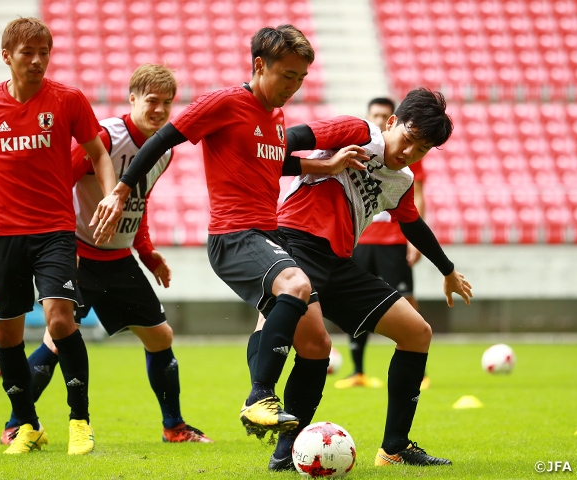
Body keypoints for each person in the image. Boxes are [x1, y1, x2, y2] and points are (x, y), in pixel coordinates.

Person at [89, 24, 371, 441]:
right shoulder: (224, 102)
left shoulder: (275, 116)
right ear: (259, 65)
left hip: (268, 235)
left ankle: (285, 452)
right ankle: (260, 397)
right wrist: (121, 190)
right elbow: (162, 140)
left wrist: (325, 166)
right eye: (287, 75)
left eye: (300, 78)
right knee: (295, 284)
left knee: (317, 344)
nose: (293, 86)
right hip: (235, 235)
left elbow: (272, 160)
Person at [250, 88, 472, 470]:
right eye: (408, 139)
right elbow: (280, 148)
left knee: (417, 333)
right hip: (294, 243)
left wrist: (448, 270)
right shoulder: (357, 131)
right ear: (392, 122)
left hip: (338, 263)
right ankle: (282, 447)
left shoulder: (401, 180)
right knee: (315, 345)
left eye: (421, 149)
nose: (409, 152)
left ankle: (394, 448)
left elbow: (412, 224)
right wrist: (325, 165)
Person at [0, 64, 212, 446]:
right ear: (132, 99)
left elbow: (137, 203)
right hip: (79, 253)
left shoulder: (164, 151)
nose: (160, 110)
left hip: (118, 259)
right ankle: (17, 423)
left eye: (167, 103)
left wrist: (147, 252)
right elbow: (57, 185)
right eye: (152, 101)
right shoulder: (106, 137)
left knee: (160, 336)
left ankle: (174, 427)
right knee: (56, 340)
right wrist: (62, 245)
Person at [0, 17, 123, 455]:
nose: (37, 60)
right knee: (6, 336)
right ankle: (28, 424)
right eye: (27, 53)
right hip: (4, 234)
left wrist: (111, 196)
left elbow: (98, 153)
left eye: (43, 52)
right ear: (6, 56)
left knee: (60, 319)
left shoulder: (68, 99)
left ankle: (80, 421)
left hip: (55, 230)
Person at [335, 97, 429, 390]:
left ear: (393, 121)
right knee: (353, 303)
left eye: (384, 115)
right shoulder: (357, 148)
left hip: (393, 241)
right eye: (374, 114)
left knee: (406, 300)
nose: (378, 119)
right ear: (368, 116)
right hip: (360, 240)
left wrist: (415, 240)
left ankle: (419, 369)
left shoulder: (407, 154)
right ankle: (357, 371)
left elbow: (417, 196)